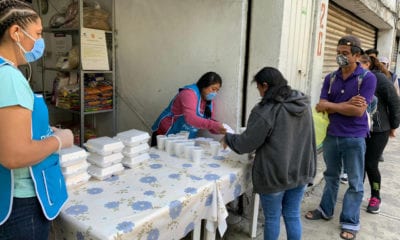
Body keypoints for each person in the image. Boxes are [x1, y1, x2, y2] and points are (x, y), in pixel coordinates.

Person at [0, 1, 74, 239]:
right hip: (20, 204)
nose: (40, 42)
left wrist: (40, 129)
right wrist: (60, 140)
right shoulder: (9, 77)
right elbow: (14, 155)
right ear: (15, 33)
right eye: (38, 34)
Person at [221, 67, 317, 240]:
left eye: (258, 87)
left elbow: (247, 143)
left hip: (275, 174)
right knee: (292, 214)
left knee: (272, 218)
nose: (259, 92)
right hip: (301, 170)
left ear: (265, 85)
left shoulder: (266, 110)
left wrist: (228, 138)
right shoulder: (302, 102)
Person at [305, 35, 377, 240]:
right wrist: (343, 106)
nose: (340, 57)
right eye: (338, 53)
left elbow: (358, 111)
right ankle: (325, 210)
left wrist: (332, 106)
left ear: (356, 55)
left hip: (354, 136)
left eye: (344, 54)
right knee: (331, 176)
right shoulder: (331, 78)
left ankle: (350, 222)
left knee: (355, 182)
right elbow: (320, 105)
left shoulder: (367, 78)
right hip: (332, 135)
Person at [359, 54, 400, 213]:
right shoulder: (355, 78)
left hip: (379, 130)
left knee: (370, 164)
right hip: (359, 128)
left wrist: (394, 126)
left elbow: (395, 103)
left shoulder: (380, 79)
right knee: (358, 164)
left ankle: (376, 196)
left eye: (358, 64)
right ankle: (357, 192)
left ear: (368, 64)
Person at [151, 72, 226, 145]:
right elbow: (191, 119)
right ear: (204, 85)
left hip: (183, 140)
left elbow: (209, 125)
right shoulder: (189, 93)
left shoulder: (210, 103)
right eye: (213, 89)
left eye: (217, 90)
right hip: (166, 133)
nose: (215, 93)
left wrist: (221, 130)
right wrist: (214, 125)